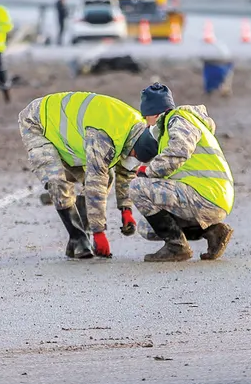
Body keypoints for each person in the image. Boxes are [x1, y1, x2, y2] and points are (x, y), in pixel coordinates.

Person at [18, 91, 158, 260]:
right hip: (37, 122)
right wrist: (99, 233)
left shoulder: (138, 129)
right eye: (134, 155)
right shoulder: (103, 136)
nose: (134, 159)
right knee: (57, 181)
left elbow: (127, 169)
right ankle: (78, 238)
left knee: (109, 176)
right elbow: (95, 183)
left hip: (70, 136)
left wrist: (125, 209)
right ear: (134, 148)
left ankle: (79, 239)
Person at [128, 83, 234, 263]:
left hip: (206, 195)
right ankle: (214, 232)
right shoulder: (183, 125)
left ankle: (177, 247)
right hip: (213, 196)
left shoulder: (178, 119)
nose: (147, 124)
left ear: (153, 113)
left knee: (137, 187)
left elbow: (179, 151)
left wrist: (149, 172)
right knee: (148, 228)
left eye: (146, 118)